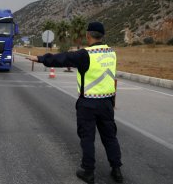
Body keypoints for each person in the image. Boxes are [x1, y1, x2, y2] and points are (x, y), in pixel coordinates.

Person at [26, 22, 123, 184]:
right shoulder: (111, 53)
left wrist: (40, 58)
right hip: (107, 102)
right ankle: (117, 170)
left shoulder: (85, 54)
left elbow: (62, 58)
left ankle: (88, 172)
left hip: (88, 103)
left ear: (88, 35)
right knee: (110, 137)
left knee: (87, 137)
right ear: (102, 35)